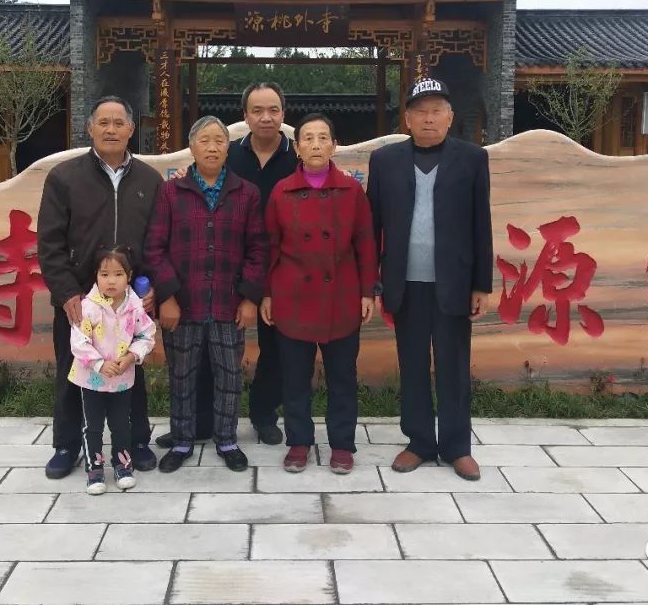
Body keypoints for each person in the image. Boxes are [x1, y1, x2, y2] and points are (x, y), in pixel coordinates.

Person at [155, 82, 297, 449]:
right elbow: (158, 243)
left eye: (273, 110)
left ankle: (264, 416)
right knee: (203, 354)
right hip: (224, 276)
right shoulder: (230, 155)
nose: (265, 117)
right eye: (257, 110)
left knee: (274, 348)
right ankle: (199, 424)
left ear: (283, 113)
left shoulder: (298, 156)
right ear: (245, 115)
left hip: (281, 266)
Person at [366, 77, 493, 481]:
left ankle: (457, 446)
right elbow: (371, 228)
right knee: (414, 364)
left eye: (437, 110)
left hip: (453, 283)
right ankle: (420, 441)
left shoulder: (472, 159)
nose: (428, 118)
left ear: (450, 117)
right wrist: (372, 282)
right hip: (405, 283)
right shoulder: (384, 161)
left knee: (455, 365)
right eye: (420, 111)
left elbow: (481, 225)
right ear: (406, 118)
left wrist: (481, 284)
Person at [38, 95, 162, 479]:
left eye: (118, 122)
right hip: (82, 302)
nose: (111, 129)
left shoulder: (149, 180)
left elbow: (159, 241)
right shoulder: (64, 177)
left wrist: (153, 284)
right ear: (89, 128)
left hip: (130, 303)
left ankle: (136, 442)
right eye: (103, 122)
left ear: (131, 129)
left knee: (131, 371)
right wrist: (66, 293)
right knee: (74, 371)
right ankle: (67, 445)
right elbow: (50, 243)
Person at [144, 115, 268, 472]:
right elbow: (154, 248)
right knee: (181, 376)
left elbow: (258, 250)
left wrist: (248, 298)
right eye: (205, 141)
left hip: (230, 306)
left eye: (219, 141)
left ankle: (226, 439)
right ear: (192, 147)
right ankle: (182, 441)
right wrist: (166, 296)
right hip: (183, 306)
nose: (212, 147)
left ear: (228, 148)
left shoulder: (246, 194)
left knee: (229, 376)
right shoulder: (172, 192)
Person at [261, 113, 376, 475]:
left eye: (322, 137)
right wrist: (266, 293)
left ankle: (342, 444)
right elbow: (269, 247)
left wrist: (368, 291)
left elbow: (366, 244)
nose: (315, 144)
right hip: (292, 297)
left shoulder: (351, 191)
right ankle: (299, 441)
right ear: (296, 148)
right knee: (294, 378)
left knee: (343, 376)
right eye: (307, 138)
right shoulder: (282, 191)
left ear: (334, 145)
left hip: (342, 297)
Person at [68, 245, 156, 493]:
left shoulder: (135, 307)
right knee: (93, 425)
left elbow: (146, 335)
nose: (111, 281)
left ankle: (122, 465)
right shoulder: (88, 307)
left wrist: (131, 357)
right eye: (104, 274)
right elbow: (78, 341)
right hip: (92, 379)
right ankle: (94, 470)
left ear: (129, 276)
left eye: (118, 274)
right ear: (95, 275)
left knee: (121, 424)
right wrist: (99, 363)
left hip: (122, 377)